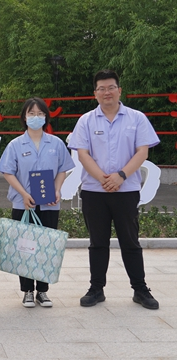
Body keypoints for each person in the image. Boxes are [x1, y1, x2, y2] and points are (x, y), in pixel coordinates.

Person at [69, 69, 160, 310]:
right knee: (97, 242)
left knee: (130, 241)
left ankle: (140, 289)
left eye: (111, 87)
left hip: (126, 190)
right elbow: (83, 154)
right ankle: (96, 289)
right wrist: (103, 179)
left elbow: (142, 151)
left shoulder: (136, 118)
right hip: (94, 191)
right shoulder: (86, 121)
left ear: (119, 90)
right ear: (95, 93)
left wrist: (120, 176)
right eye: (101, 88)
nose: (106, 92)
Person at [0, 97, 75, 308]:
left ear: (46, 117)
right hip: (23, 204)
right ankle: (27, 291)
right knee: (25, 248)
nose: (36, 117)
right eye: (31, 113)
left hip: (49, 204)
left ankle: (42, 291)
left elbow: (63, 169)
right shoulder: (15, 145)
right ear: (24, 117)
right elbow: (8, 172)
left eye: (40, 113)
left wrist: (57, 189)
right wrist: (23, 194)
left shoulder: (56, 143)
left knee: (46, 247)